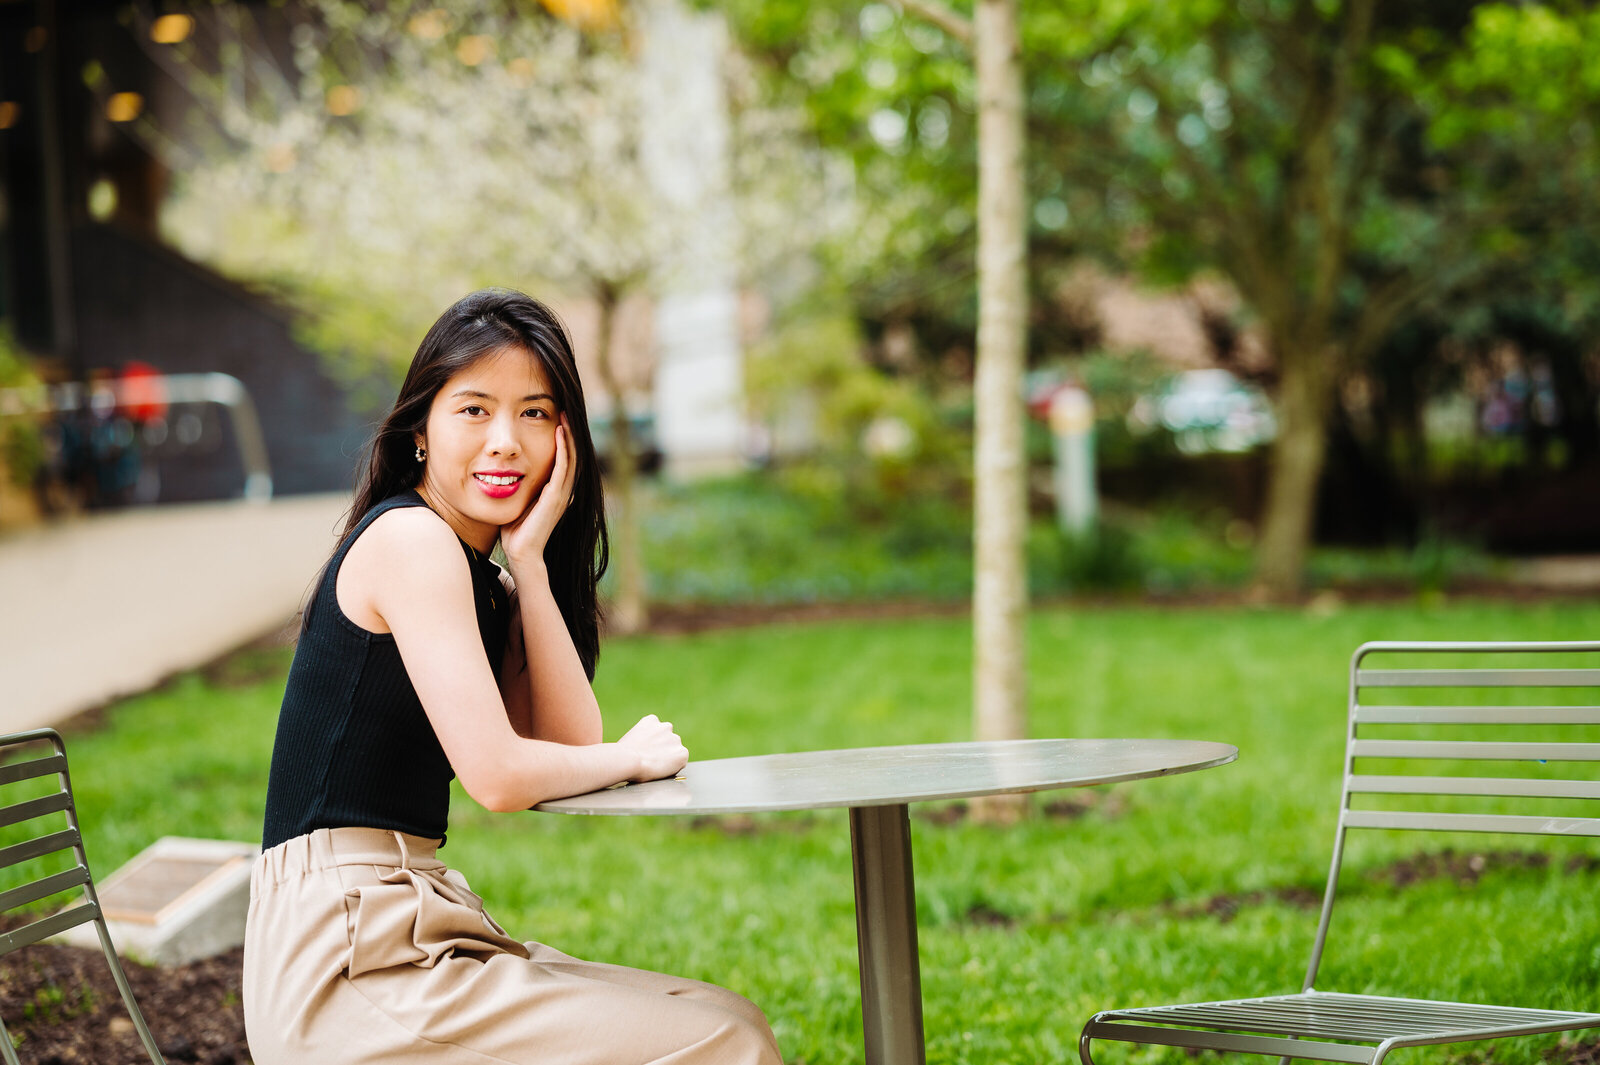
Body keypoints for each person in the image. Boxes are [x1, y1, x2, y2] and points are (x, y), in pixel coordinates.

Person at [244, 289, 782, 1064]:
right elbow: (499, 775)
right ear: (421, 431)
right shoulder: (412, 541)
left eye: (534, 413)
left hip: (406, 922)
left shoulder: (481, 578)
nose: (506, 441)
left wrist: (528, 562)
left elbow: (565, 743)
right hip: (346, 957)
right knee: (724, 1039)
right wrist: (632, 757)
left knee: (721, 1013)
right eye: (474, 410)